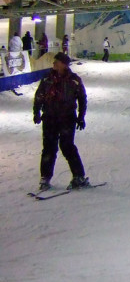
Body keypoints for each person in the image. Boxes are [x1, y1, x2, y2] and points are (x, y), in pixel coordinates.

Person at [33, 52, 89, 191]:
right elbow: (39, 95)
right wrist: (37, 112)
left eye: (56, 62)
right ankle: (45, 178)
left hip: (67, 118)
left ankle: (78, 176)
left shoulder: (74, 80)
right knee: (49, 148)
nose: (53, 64)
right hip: (50, 118)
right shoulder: (47, 79)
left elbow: (82, 98)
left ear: (64, 64)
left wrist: (81, 116)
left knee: (67, 147)